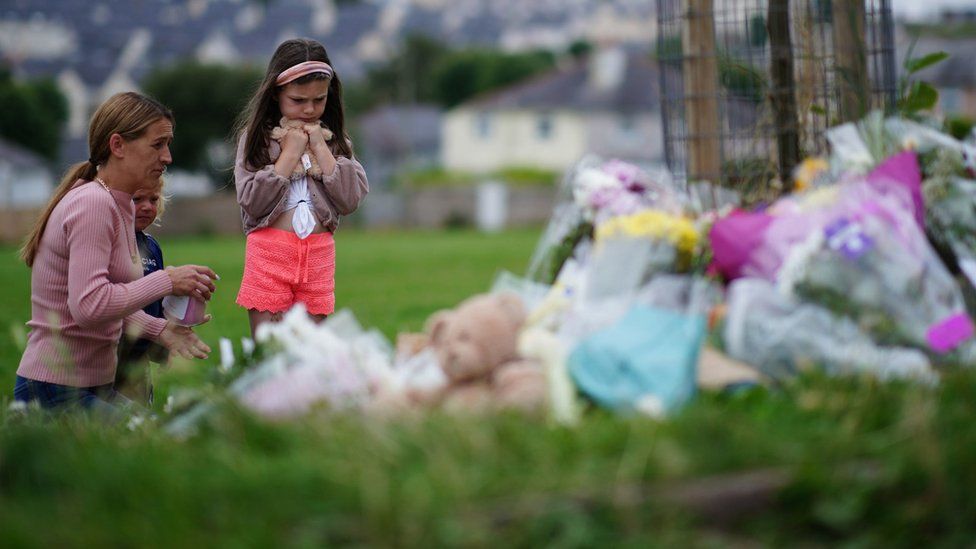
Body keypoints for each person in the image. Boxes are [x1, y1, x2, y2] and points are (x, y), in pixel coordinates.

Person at [14, 91, 218, 414]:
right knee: (152, 445)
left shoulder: (115, 203)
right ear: (118, 145)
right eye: (157, 144)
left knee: (155, 439)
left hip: (85, 386)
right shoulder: (94, 204)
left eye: (168, 144)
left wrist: (160, 329)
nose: (168, 157)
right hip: (58, 389)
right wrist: (167, 280)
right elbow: (90, 305)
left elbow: (107, 305)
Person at [234, 38, 368, 337]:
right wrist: (289, 155)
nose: (309, 109)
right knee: (270, 349)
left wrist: (321, 148)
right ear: (275, 94)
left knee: (312, 351)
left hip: (318, 257)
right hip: (270, 255)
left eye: (318, 100)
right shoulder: (255, 138)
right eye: (298, 100)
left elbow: (350, 200)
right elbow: (251, 202)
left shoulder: (335, 141)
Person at [114, 178, 169, 405]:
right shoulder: (113, 242)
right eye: (137, 199)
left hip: (140, 359)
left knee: (139, 417)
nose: (147, 206)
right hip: (111, 356)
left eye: (153, 199)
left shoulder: (152, 246)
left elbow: (158, 302)